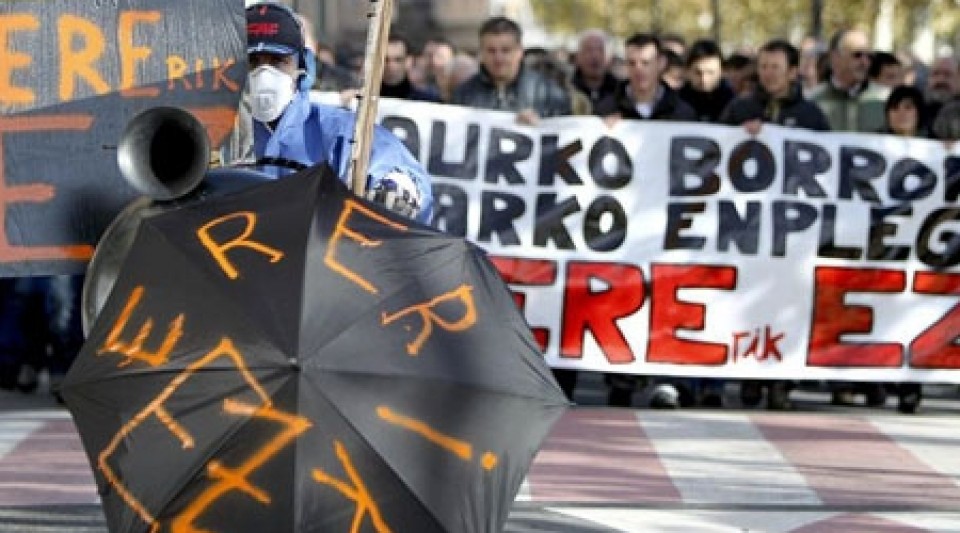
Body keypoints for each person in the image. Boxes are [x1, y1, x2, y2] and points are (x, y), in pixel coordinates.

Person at [245, 2, 432, 224]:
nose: (264, 74)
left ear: (304, 66)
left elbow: (389, 163)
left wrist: (398, 187)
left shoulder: (342, 133)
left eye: (278, 61)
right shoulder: (214, 139)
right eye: (252, 61)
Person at [719, 39, 831, 410]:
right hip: (748, 224)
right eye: (763, 66)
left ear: (793, 71)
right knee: (750, 296)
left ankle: (781, 380)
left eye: (775, 67)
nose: (768, 73)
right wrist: (739, 138)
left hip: (793, 228)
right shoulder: (739, 109)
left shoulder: (812, 115)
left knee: (788, 300)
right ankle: (750, 376)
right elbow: (715, 154)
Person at [595, 33, 695, 409]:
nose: (639, 71)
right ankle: (621, 377)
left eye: (646, 63)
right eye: (632, 63)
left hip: (666, 220)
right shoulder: (606, 107)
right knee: (621, 293)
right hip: (622, 220)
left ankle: (665, 377)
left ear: (661, 66)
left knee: (667, 292)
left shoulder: (682, 112)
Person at [451, 16, 572, 124]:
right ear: (481, 53)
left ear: (520, 52)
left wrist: (541, 125)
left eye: (506, 50)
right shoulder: (463, 94)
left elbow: (566, 137)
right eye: (491, 51)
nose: (498, 58)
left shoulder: (548, 92)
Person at [809, 28, 889, 133]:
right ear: (835, 57)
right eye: (857, 55)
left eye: (869, 56)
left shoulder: (885, 100)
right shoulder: (812, 102)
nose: (865, 62)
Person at [679, 39, 735, 123]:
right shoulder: (675, 104)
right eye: (698, 73)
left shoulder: (734, 104)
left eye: (710, 72)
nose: (704, 79)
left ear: (722, 72)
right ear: (687, 71)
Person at [381, 33, 441, 102]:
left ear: (408, 61)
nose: (391, 65)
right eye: (386, 60)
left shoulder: (427, 100)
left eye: (398, 60)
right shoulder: (367, 99)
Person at [571, 29, 620, 112]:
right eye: (589, 50)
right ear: (578, 57)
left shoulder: (621, 93)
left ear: (609, 58)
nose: (595, 56)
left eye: (600, 50)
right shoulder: (566, 91)